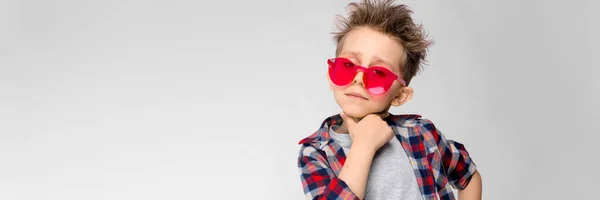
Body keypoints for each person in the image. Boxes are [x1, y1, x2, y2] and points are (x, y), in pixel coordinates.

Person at [296, 0, 482, 199]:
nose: (359, 79)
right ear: (330, 76)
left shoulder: (422, 134)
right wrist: (363, 146)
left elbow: (469, 176)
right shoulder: (315, 152)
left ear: (400, 96)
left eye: (378, 73)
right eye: (348, 66)